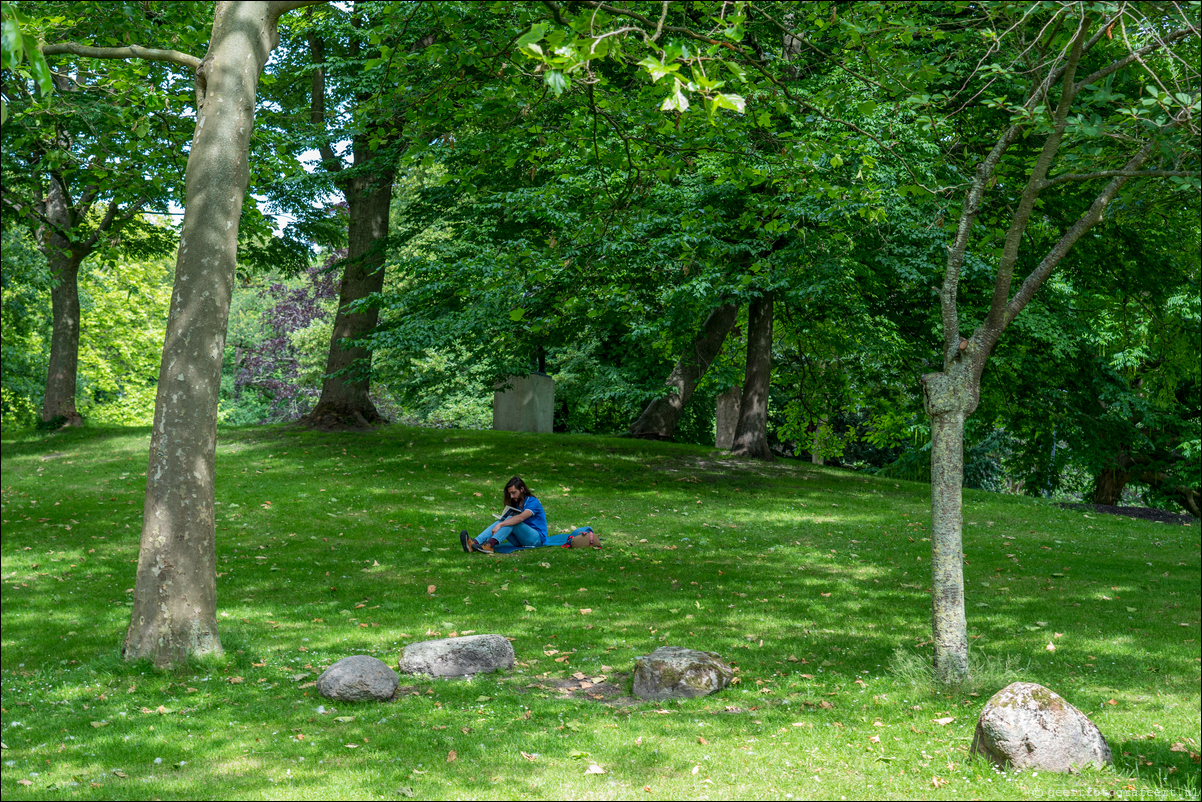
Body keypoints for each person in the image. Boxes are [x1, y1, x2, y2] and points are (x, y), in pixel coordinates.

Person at [460, 475, 547, 554]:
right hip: (520, 539)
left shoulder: (533, 501)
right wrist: (501, 522)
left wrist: (501, 524)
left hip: (536, 540)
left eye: (513, 493)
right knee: (506, 521)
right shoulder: (516, 503)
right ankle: (474, 543)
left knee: (511, 521)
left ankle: (490, 545)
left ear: (522, 489)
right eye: (510, 494)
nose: (511, 496)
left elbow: (520, 518)